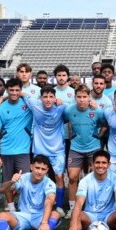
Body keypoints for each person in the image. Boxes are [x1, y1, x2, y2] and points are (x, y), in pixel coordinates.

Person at [63, 151, 116, 230]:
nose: (100, 165)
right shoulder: (85, 180)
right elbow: (79, 203)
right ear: (92, 164)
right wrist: (72, 224)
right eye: (97, 162)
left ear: (109, 165)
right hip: (91, 216)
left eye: (104, 163)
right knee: (76, 214)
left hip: (109, 215)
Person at [0, 155, 61, 230]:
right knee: (0, 216)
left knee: (56, 214)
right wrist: (11, 181)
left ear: (47, 171)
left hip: (40, 218)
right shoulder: (24, 177)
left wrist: (44, 222)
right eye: (37, 168)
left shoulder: (49, 183)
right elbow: (1, 190)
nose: (39, 171)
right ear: (31, 167)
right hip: (23, 216)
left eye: (43, 169)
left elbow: (49, 201)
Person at [65, 84, 107, 218]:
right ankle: (72, 208)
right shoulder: (69, 110)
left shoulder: (97, 111)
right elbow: (64, 121)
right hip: (75, 147)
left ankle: (94, 205)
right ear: (75, 97)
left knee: (96, 176)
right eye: (79, 97)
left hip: (93, 148)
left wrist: (99, 136)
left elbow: (105, 124)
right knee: (72, 177)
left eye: (84, 97)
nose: (81, 100)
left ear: (89, 97)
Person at [0, 78, 32, 212]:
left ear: (21, 91)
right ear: (7, 90)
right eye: (11, 90)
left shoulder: (27, 105)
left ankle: (25, 205)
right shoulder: (0, 109)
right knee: (7, 181)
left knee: (25, 180)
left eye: (17, 90)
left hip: (23, 150)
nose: (14, 93)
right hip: (6, 150)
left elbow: (38, 101)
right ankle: (10, 206)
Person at [27, 86, 68, 215]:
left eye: (51, 97)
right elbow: (21, 93)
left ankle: (60, 206)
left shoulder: (62, 108)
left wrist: (91, 103)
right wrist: (2, 97)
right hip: (40, 149)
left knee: (59, 176)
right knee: (38, 176)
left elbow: (78, 107)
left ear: (55, 98)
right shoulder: (34, 104)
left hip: (57, 150)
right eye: (45, 97)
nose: (48, 99)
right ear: (41, 98)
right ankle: (38, 204)